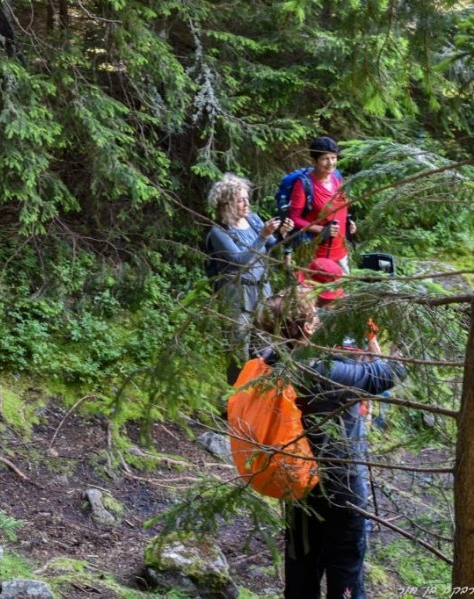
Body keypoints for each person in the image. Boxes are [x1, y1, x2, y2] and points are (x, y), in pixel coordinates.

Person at [255, 290, 406, 599]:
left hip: (296, 480)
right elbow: (387, 375)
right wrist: (391, 337)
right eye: (315, 315)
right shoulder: (322, 370)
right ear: (308, 328)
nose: (321, 319)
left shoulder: (271, 361)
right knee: (346, 571)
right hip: (341, 486)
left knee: (301, 568)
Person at [206, 173, 293, 384]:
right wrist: (263, 236)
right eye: (240, 199)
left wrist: (282, 235)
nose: (246, 203)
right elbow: (239, 261)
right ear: (226, 203)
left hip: (262, 291)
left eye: (247, 198)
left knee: (265, 346)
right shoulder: (219, 232)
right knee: (239, 351)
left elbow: (271, 248)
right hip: (236, 297)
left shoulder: (253, 220)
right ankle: (236, 400)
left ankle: (259, 397)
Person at [289, 136, 357, 274]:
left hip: (342, 250)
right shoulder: (304, 185)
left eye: (333, 157)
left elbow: (341, 208)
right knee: (319, 292)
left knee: (343, 293)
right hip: (317, 254)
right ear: (314, 161)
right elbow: (294, 219)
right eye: (325, 159)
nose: (330, 163)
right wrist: (320, 229)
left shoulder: (337, 178)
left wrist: (348, 221)